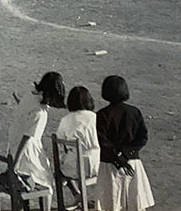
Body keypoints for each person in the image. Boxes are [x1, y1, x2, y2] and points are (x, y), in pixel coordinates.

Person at [7, 72, 66, 211]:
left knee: (35, 178)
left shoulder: (30, 94)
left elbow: (24, 107)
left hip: (13, 145)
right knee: (47, 184)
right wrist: (14, 166)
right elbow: (27, 138)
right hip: (26, 152)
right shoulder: (40, 113)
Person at [96, 76, 154, 211]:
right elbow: (142, 137)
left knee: (111, 203)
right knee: (134, 202)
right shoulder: (134, 112)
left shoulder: (102, 115)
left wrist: (117, 157)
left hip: (110, 164)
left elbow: (102, 140)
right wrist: (126, 154)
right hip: (132, 162)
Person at [55, 86, 100, 208]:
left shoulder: (66, 120)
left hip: (75, 167)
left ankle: (77, 194)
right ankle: (98, 199)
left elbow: (60, 142)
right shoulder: (96, 117)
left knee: (60, 167)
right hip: (97, 164)